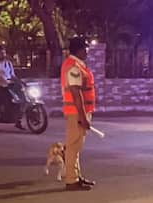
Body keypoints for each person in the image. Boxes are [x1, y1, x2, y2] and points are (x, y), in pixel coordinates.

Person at [60, 37, 96, 190]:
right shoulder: (73, 67)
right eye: (86, 48)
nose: (87, 51)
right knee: (73, 146)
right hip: (76, 113)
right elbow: (76, 94)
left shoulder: (76, 65)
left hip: (78, 112)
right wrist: (82, 117)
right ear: (79, 50)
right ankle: (71, 180)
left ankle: (76, 176)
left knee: (75, 146)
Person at [0, 45, 26, 131]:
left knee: (19, 101)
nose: (1, 54)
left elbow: (12, 75)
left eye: (2, 52)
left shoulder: (8, 63)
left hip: (9, 86)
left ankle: (18, 121)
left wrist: (19, 81)